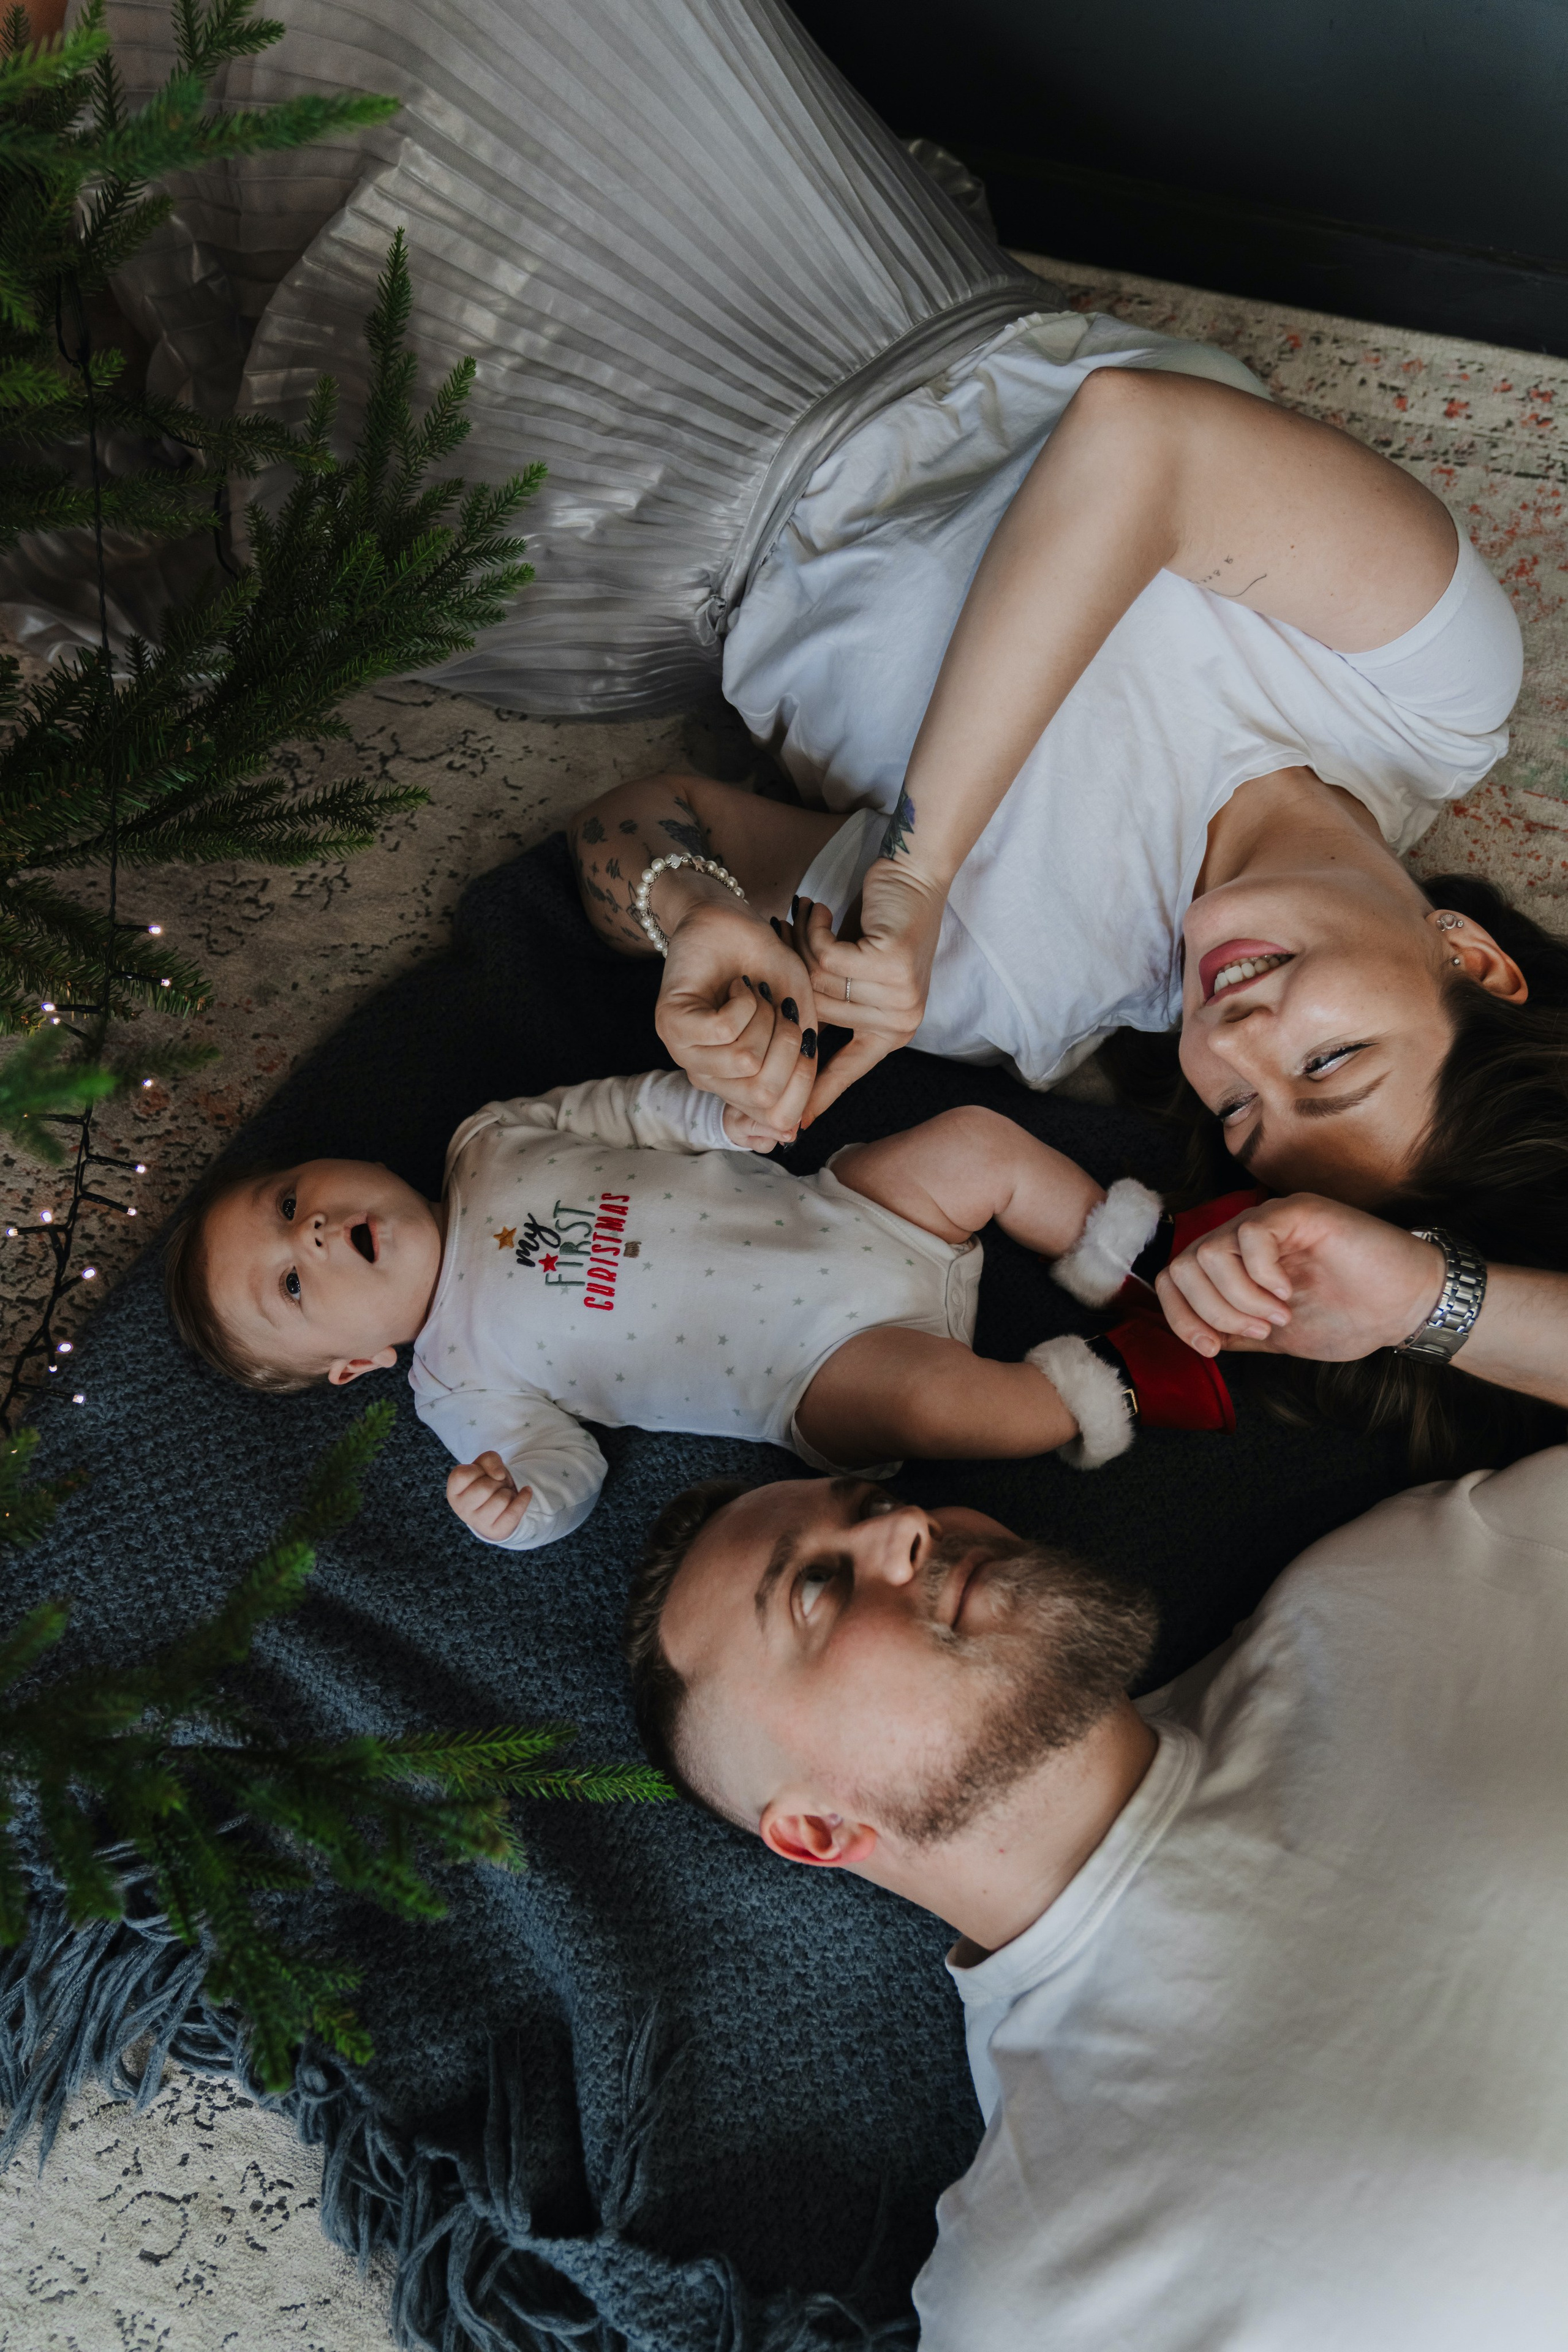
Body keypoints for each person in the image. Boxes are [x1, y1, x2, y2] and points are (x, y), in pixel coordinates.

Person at [622, 1444, 1568, 2348]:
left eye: (874, 1505)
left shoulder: (1380, 1593)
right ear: (822, 1832)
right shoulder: (1033, 2280)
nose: (906, 1524)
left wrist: (1441, 1302)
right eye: (816, 1590)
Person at [162, 1070, 1257, 1546]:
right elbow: (564, 1468)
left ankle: (1144, 1255)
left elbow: (626, 1113)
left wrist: (714, 1114)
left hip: (850, 1212)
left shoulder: (485, 1140)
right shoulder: (458, 1379)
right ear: (355, 1364)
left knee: (973, 1141)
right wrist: (521, 1508)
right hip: (821, 1366)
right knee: (941, 1407)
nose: (308, 1234)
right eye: (293, 1283)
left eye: (292, 1202)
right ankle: (1115, 1385)